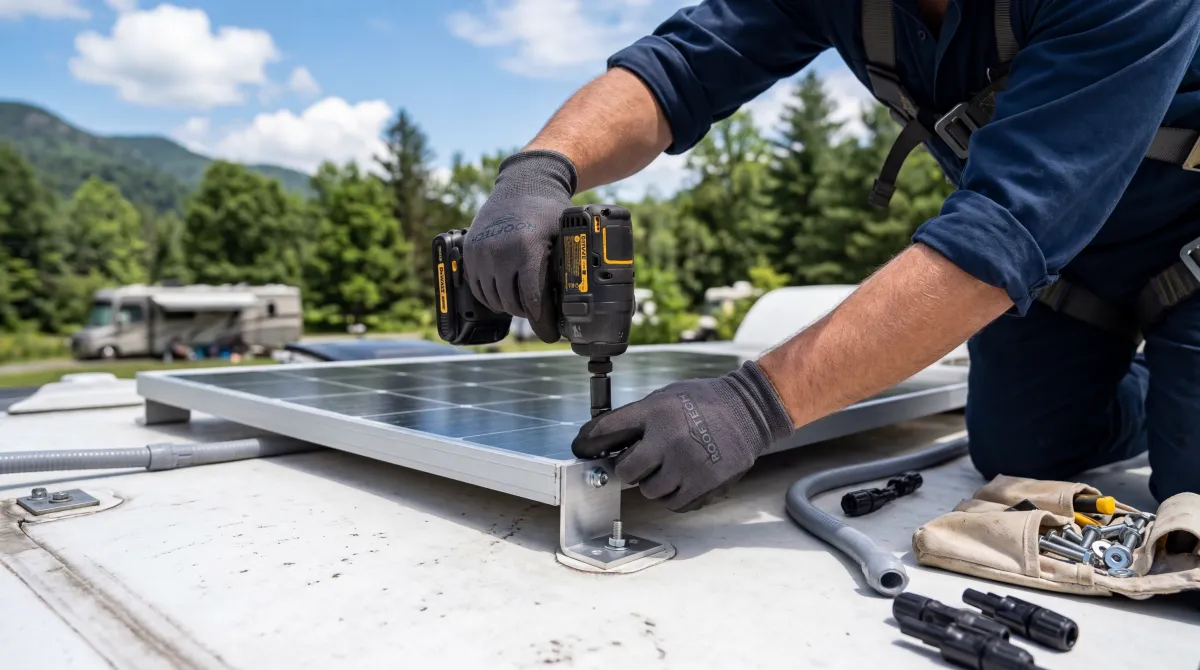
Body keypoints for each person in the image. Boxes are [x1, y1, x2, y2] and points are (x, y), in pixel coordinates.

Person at [462, 0, 1200, 513]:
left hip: (1184, 248)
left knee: (1188, 501)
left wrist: (754, 404)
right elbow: (680, 68)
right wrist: (541, 168)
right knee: (1019, 453)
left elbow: (1005, 225)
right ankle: (1147, 387)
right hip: (1061, 273)